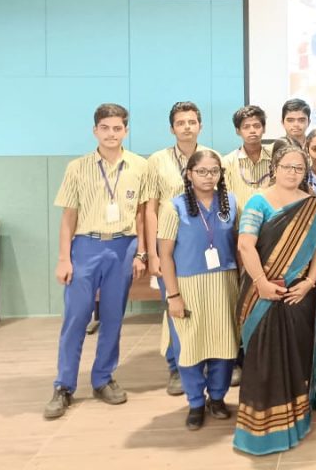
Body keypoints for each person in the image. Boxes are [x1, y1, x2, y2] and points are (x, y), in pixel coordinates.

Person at [44, 103, 148, 419]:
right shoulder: (77, 168)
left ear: (126, 131)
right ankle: (64, 385)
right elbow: (68, 217)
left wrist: (141, 253)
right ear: (95, 131)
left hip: (123, 247)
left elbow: (142, 215)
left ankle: (103, 378)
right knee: (76, 317)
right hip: (86, 247)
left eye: (117, 128)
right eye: (105, 128)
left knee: (113, 318)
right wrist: (64, 259)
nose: (111, 134)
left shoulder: (140, 166)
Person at [234, 139, 316, 455]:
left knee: (295, 357)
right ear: (275, 168)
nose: (292, 172)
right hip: (261, 294)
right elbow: (245, 245)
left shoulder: (312, 205)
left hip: (297, 295)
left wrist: (309, 283)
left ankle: (296, 422)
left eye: (299, 168)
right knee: (263, 360)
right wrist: (261, 283)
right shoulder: (258, 201)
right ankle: (261, 432)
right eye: (287, 167)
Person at [158, 150, 240, 430]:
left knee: (224, 344)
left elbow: (239, 246)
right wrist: (173, 296)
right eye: (202, 171)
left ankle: (217, 398)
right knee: (190, 346)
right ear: (189, 174)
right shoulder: (174, 207)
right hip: (188, 286)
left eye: (214, 171)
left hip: (224, 284)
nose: (208, 177)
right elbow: (165, 255)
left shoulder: (230, 203)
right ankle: (195, 402)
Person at [144, 100, 211, 396]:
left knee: (202, 306)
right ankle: (178, 367)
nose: (187, 127)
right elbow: (150, 209)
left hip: (202, 245)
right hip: (169, 245)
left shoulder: (210, 157)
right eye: (181, 123)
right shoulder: (157, 161)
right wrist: (152, 253)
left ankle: (202, 362)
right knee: (175, 305)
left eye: (192, 122)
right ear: (172, 128)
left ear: (200, 126)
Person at [222, 105, 272, 211]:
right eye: (246, 127)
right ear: (238, 131)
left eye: (257, 126)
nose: (252, 130)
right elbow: (225, 198)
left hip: (271, 219)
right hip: (240, 220)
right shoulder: (227, 162)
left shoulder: (275, 159)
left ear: (264, 129)